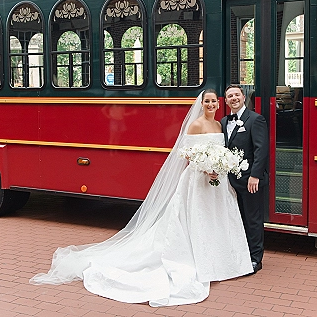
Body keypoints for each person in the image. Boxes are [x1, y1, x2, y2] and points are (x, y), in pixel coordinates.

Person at [30, 90, 252, 306]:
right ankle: (200, 261)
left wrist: (218, 166)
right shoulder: (195, 125)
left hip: (217, 183)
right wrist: (205, 167)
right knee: (195, 219)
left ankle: (220, 262)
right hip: (197, 181)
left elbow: (221, 151)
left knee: (216, 219)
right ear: (201, 104)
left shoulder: (219, 124)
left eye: (214, 101)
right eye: (208, 102)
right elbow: (187, 153)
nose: (211, 105)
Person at [220, 84, 269, 274]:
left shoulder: (255, 120)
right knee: (237, 219)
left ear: (243, 96)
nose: (234, 98)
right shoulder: (224, 121)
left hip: (250, 181)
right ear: (226, 101)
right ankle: (241, 254)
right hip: (232, 181)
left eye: (236, 95)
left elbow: (261, 150)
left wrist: (255, 175)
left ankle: (256, 259)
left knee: (253, 220)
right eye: (230, 96)